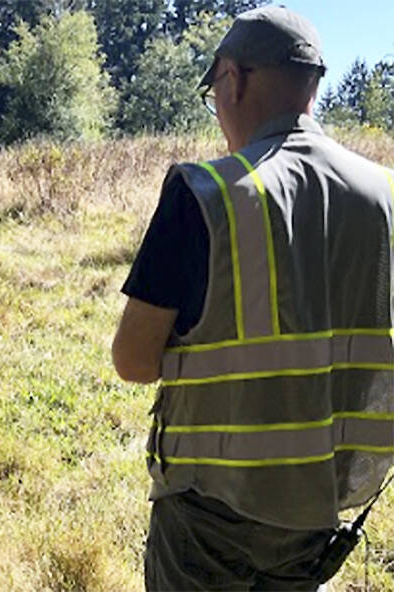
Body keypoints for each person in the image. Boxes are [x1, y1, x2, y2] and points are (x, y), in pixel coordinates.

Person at [111, 6, 394, 591]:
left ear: (233, 79)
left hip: (207, 515)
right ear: (312, 90)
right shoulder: (385, 196)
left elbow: (133, 361)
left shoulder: (204, 193)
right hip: (322, 506)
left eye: (214, 92)